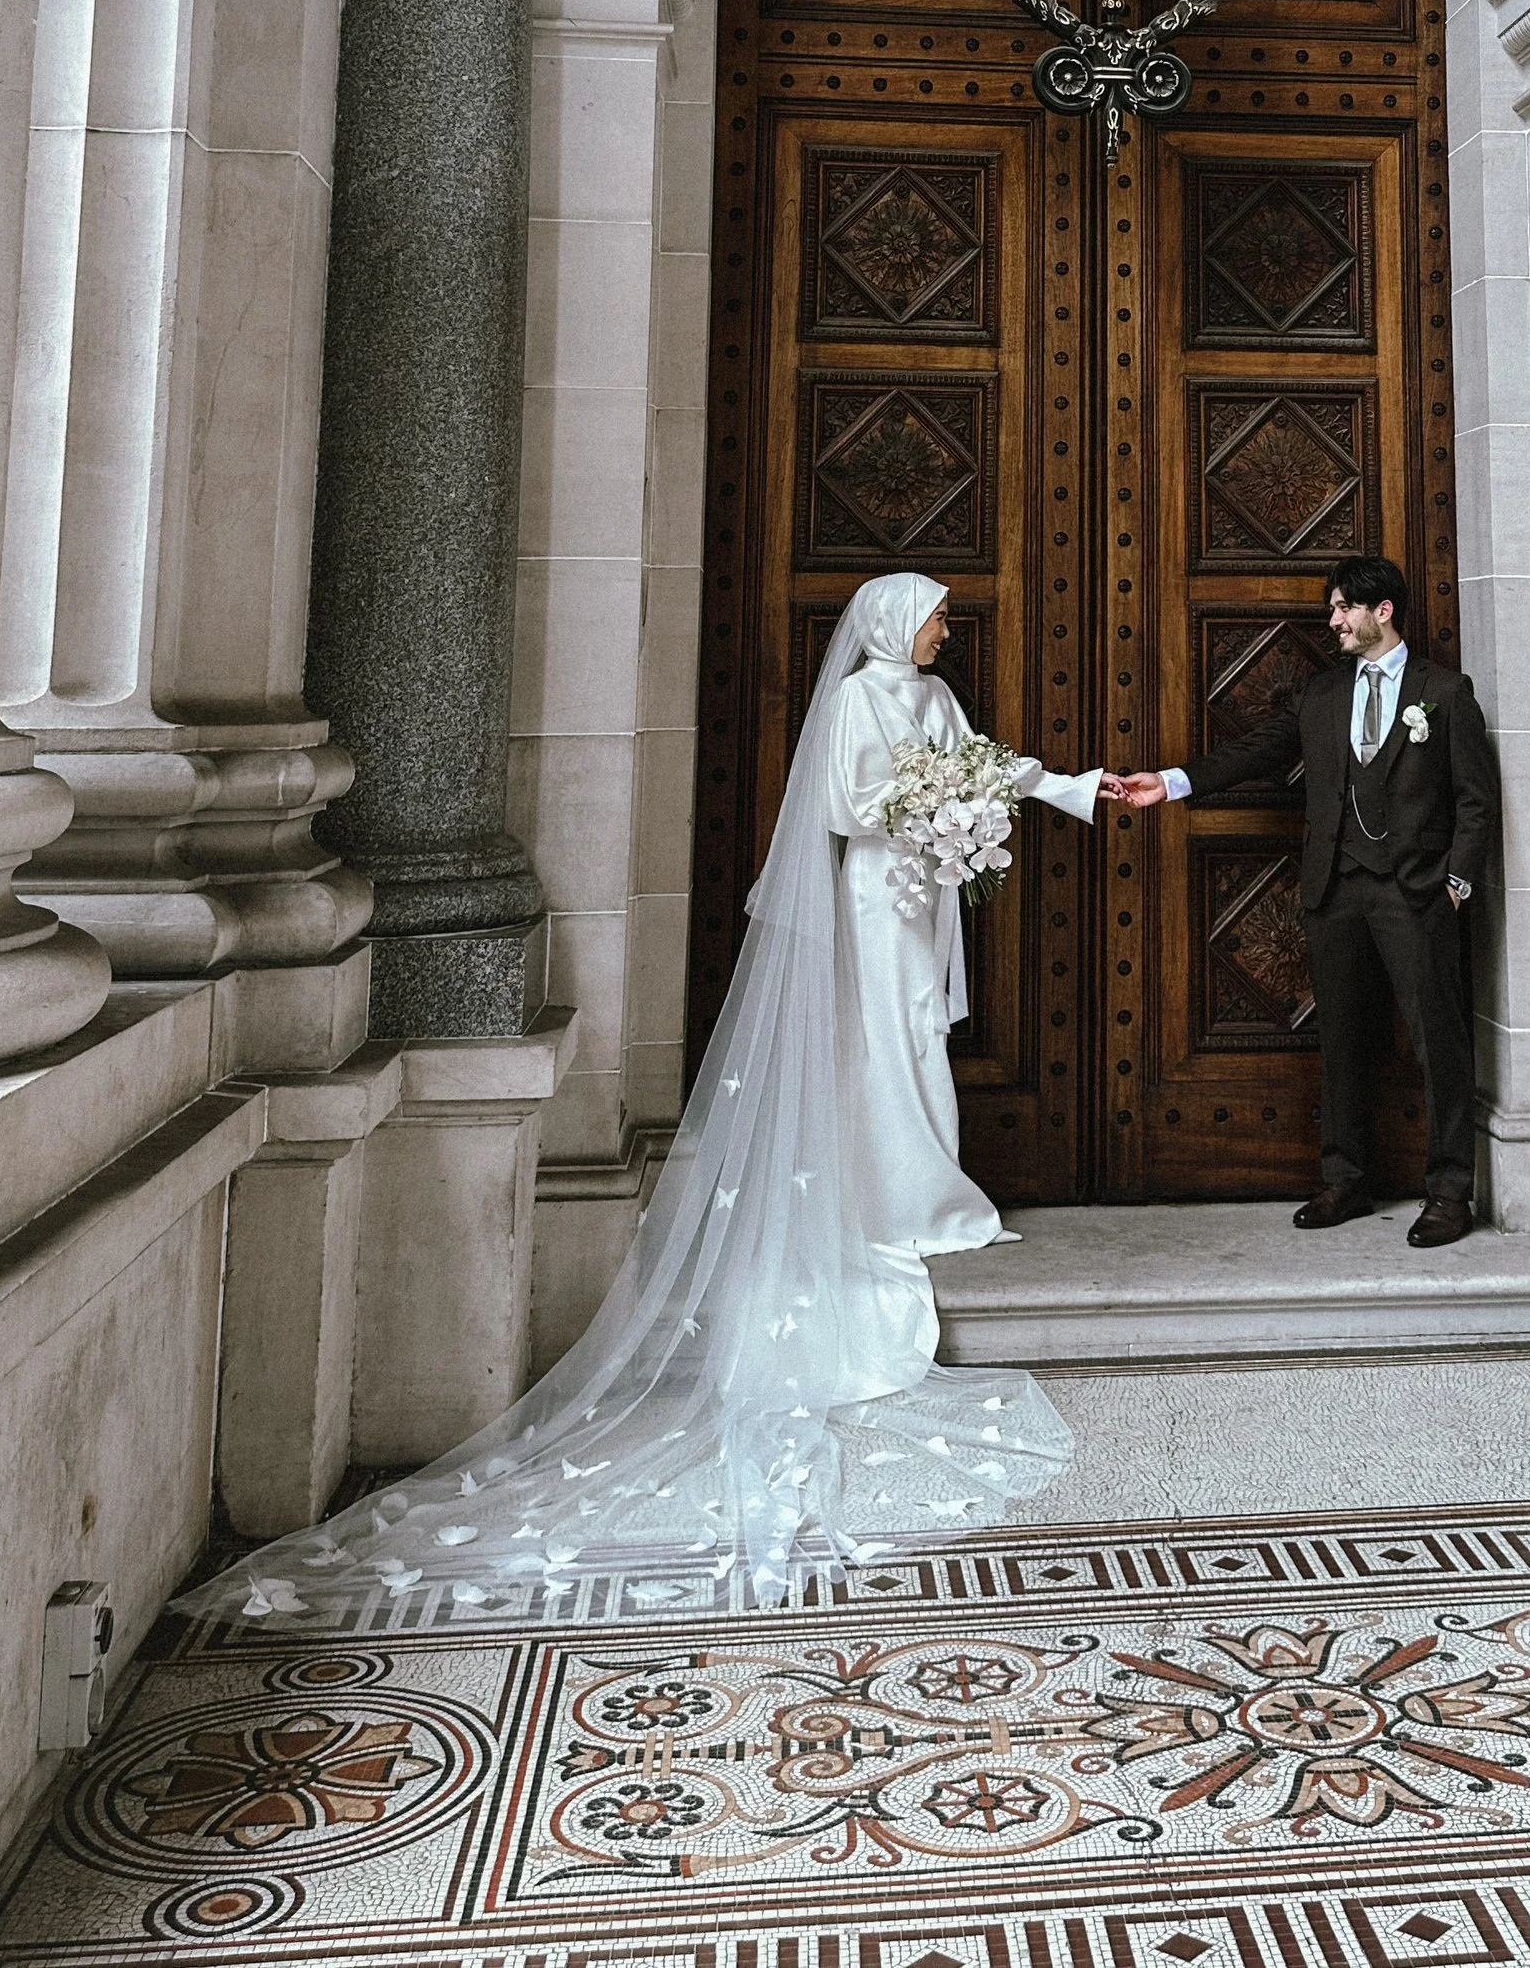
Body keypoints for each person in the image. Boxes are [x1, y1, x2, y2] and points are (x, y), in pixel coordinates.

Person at [185, 572, 1103, 1627]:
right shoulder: (856, 701)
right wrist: (930, 806)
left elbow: (982, 763)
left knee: (918, 1046)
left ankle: (929, 1193)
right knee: (878, 1049)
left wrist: (1043, 790)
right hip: (871, 891)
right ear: (898, 620)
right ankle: (890, 1199)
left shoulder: (935, 702)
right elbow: (846, 804)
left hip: (916, 891)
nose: (949, 630)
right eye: (939, 615)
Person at [1106, 553, 1498, 1247]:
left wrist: (1456, 885)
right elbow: (1253, 750)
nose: (1333, 620)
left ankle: (1448, 1191)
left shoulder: (1445, 690)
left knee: (1439, 1040)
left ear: (1383, 611)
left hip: (1416, 896)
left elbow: (1475, 799)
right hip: (1335, 888)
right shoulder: (1320, 695)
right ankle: (1346, 1179)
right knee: (1341, 1040)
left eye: (1344, 607)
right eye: (1332, 609)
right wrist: (1169, 782)